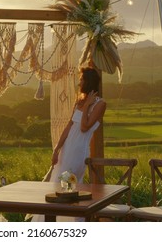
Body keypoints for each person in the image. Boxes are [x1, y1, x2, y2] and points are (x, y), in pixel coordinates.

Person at [31, 67, 106, 222]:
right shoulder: (79, 101)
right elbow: (69, 126)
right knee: (57, 186)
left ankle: (69, 222)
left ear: (88, 81)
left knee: (68, 187)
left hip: (78, 153)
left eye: (81, 79)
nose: (79, 82)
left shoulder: (100, 104)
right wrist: (57, 149)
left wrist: (86, 107)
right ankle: (53, 222)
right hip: (66, 150)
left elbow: (85, 127)